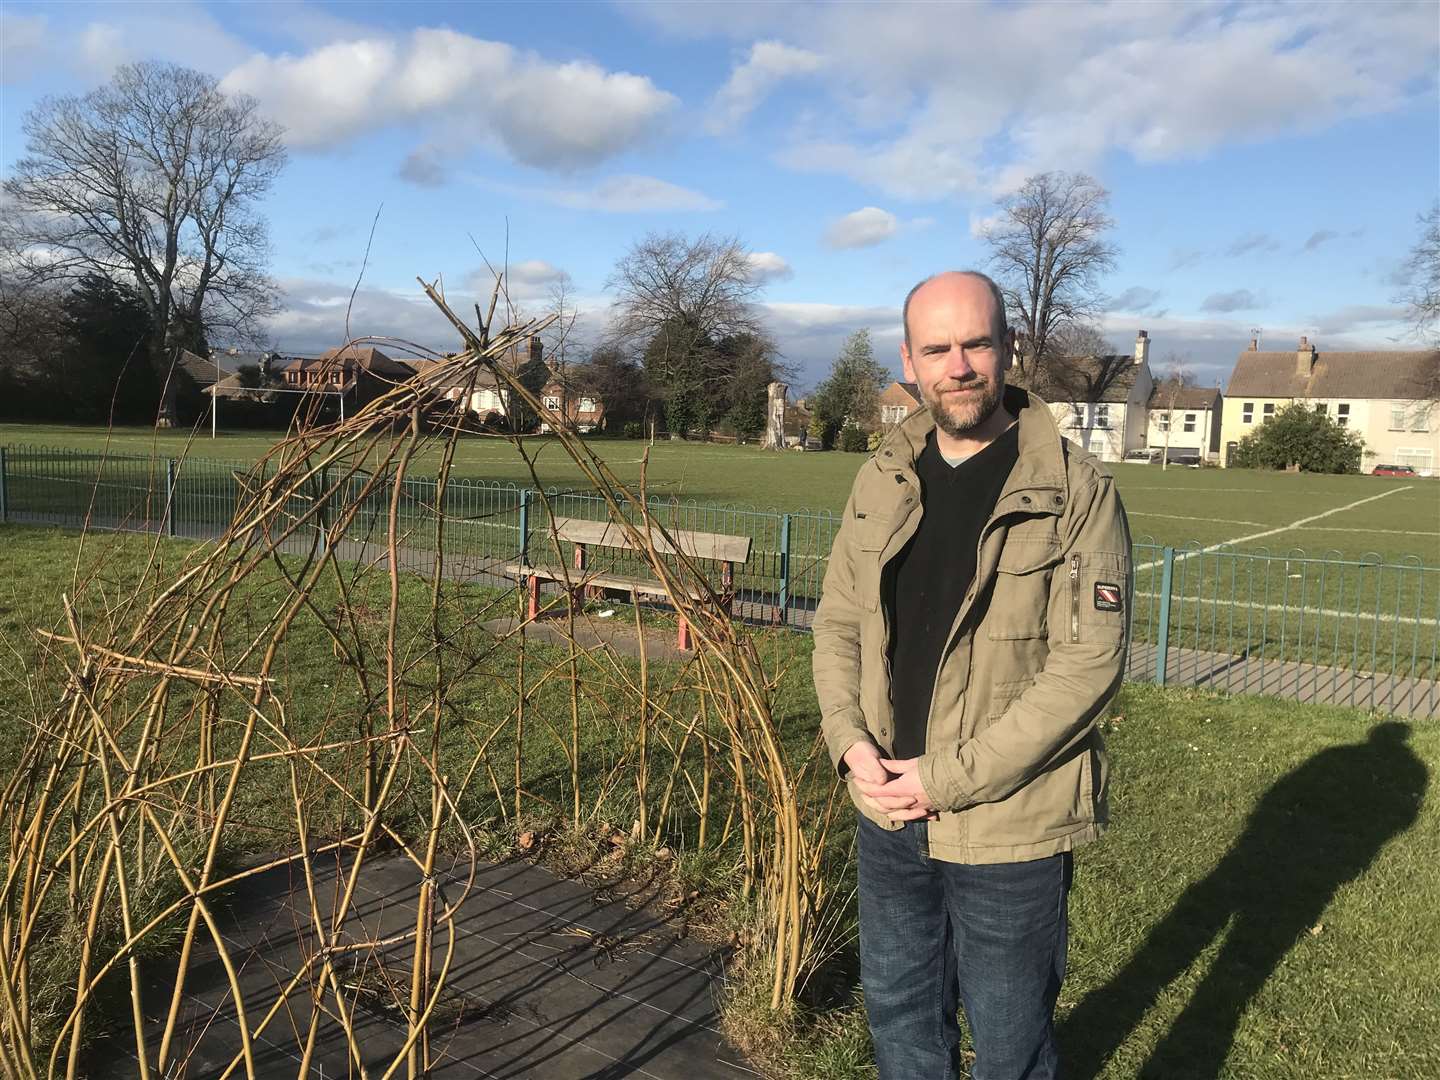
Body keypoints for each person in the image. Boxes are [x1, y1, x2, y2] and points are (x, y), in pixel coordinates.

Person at [812, 271, 1131, 1080]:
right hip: (885, 808)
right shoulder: (881, 475)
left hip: (1008, 828)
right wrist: (851, 746)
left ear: (1008, 347)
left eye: (976, 343)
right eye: (937, 348)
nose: (958, 365)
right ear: (909, 360)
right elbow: (839, 623)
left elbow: (1087, 667)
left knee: (1010, 1045)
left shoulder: (1077, 490)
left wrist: (944, 779)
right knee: (900, 1023)